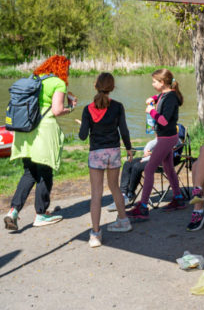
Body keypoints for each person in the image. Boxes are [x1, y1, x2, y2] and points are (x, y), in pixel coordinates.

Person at [4, 55, 76, 230]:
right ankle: (41, 214)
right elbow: (57, 110)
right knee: (45, 172)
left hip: (25, 130)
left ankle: (13, 211)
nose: (68, 72)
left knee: (29, 172)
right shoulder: (58, 83)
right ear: (62, 69)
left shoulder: (34, 79)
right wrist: (71, 107)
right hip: (43, 132)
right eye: (67, 69)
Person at [78, 72, 134, 247]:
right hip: (114, 152)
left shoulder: (87, 109)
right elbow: (124, 130)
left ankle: (95, 234)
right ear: (112, 87)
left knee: (96, 193)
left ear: (96, 86)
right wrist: (129, 148)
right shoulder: (118, 106)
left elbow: (82, 136)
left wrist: (83, 125)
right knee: (114, 186)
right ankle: (124, 221)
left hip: (96, 153)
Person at [126, 69, 186, 220]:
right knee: (169, 168)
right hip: (165, 137)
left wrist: (151, 111)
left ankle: (143, 207)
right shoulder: (165, 95)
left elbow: (164, 121)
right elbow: (159, 97)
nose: (152, 84)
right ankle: (178, 199)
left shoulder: (170, 98)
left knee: (149, 169)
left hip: (166, 138)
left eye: (154, 81)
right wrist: (152, 98)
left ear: (162, 82)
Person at [107, 137, 158, 209]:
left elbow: (165, 151)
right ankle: (123, 194)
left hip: (160, 160)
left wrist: (148, 158)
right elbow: (153, 142)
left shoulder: (171, 136)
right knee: (127, 164)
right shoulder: (162, 134)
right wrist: (147, 150)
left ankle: (130, 193)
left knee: (137, 166)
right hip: (149, 157)